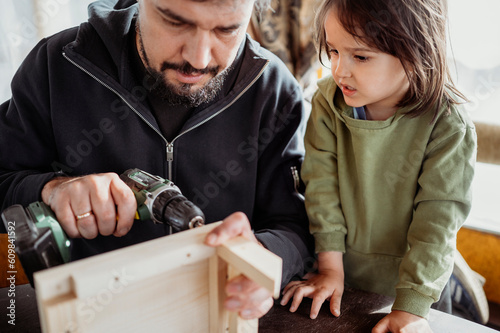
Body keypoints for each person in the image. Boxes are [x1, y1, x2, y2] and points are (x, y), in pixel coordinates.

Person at [0, 0, 314, 319]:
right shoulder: (59, 63)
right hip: (89, 317)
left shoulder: (276, 92)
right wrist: (52, 190)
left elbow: (295, 226)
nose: (198, 59)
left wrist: (263, 258)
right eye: (175, 22)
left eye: (226, 29)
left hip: (216, 316)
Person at [280, 0, 477, 332]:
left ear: (415, 52)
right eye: (334, 51)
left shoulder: (448, 125)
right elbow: (321, 188)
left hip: (418, 289)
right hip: (341, 273)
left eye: (361, 56)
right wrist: (330, 268)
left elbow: (437, 223)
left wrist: (412, 308)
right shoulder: (328, 101)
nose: (340, 70)